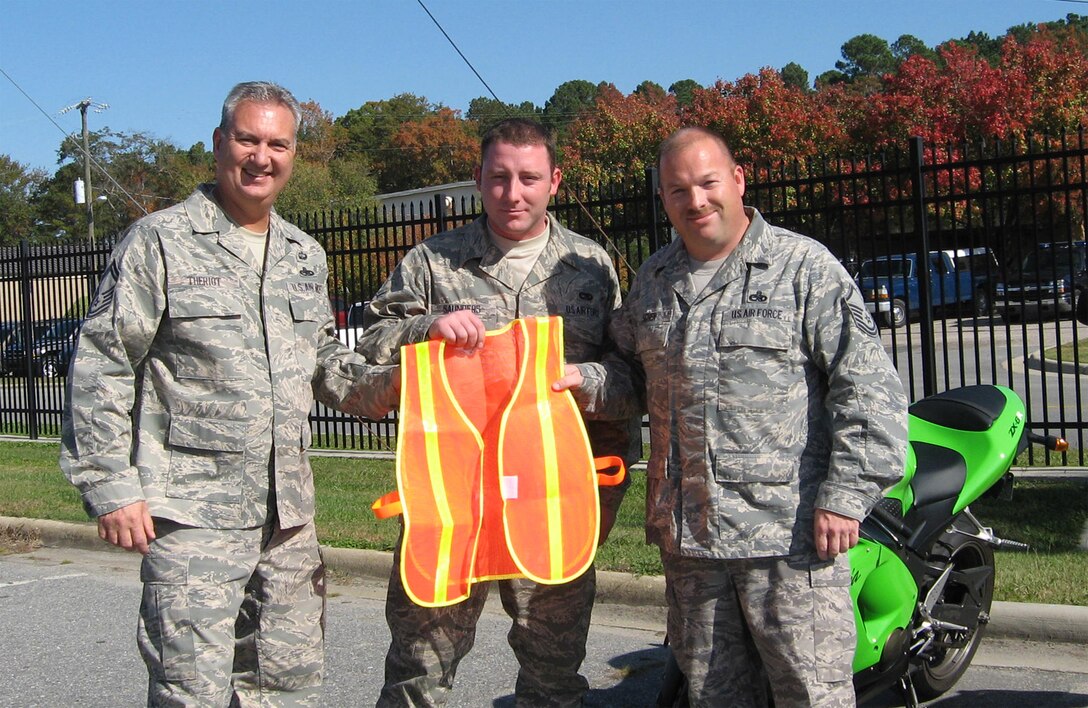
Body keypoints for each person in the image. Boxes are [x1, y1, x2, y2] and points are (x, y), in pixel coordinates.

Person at [60, 81, 400, 706]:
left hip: (288, 522)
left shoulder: (304, 255)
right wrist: (109, 485)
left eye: (278, 143)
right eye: (248, 139)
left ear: (294, 154)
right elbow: (104, 363)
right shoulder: (159, 242)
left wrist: (390, 385)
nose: (261, 156)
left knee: (289, 687)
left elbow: (322, 361)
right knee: (193, 691)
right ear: (219, 143)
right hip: (191, 518)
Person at [560, 126, 908, 707]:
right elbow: (631, 378)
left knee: (809, 694)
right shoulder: (654, 281)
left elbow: (867, 385)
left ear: (738, 180)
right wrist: (579, 380)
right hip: (692, 545)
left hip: (790, 541)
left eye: (707, 182)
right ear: (663, 199)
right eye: (677, 190)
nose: (695, 200)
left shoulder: (802, 268)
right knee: (714, 697)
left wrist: (846, 495)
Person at [355, 117, 640, 707]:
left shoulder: (590, 266)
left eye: (529, 178)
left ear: (555, 181)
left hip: (550, 500)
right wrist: (425, 326)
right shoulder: (435, 261)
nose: (514, 193)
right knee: (418, 671)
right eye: (499, 178)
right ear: (479, 179)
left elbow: (632, 378)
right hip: (453, 499)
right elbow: (371, 343)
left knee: (553, 676)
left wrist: (581, 381)